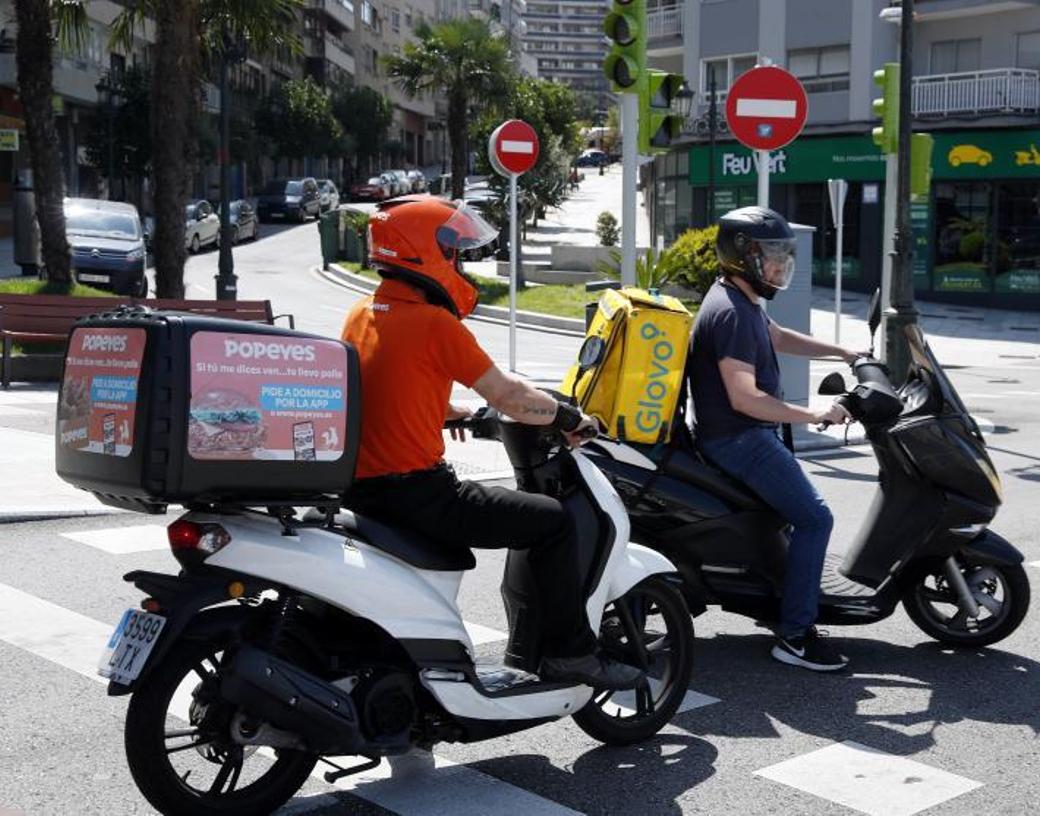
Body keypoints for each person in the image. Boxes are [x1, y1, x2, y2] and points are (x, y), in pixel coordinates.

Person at [341, 195, 642, 691]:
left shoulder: (362, 312)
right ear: (424, 252)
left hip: (364, 490)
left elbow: (388, 384)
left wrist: (453, 414)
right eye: (453, 251)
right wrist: (568, 416)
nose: (459, 262)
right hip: (419, 495)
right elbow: (508, 394)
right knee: (552, 521)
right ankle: (570, 654)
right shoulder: (435, 323)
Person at [687, 206, 860, 672]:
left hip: (742, 435)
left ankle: (782, 599)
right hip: (739, 438)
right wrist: (815, 412)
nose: (781, 265)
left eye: (784, 255)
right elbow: (745, 398)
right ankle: (796, 636)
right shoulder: (732, 315)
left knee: (791, 519)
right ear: (744, 257)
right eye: (772, 256)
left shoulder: (738, 301)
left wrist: (843, 350)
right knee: (815, 519)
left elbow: (778, 337)